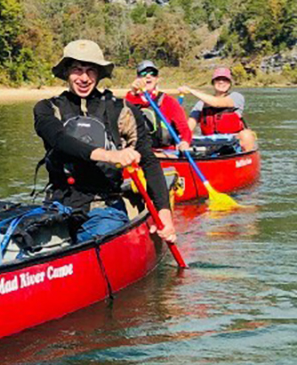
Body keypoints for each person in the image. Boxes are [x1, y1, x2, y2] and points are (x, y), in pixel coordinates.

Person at [33, 40, 176, 243]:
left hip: (104, 207)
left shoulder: (122, 111)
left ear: (99, 74)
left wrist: (163, 211)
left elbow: (149, 161)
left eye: (91, 70)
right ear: (66, 72)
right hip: (58, 206)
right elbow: (59, 139)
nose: (84, 78)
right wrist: (110, 155)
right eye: (77, 70)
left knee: (98, 232)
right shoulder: (47, 108)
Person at [180, 67, 257, 152]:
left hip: (232, 142)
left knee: (246, 135)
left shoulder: (236, 97)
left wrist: (191, 91)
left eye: (225, 80)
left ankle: (245, 159)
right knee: (183, 138)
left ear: (229, 84)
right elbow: (189, 126)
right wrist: (183, 141)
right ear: (213, 83)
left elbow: (217, 103)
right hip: (209, 142)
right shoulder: (201, 104)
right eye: (218, 79)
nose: (221, 82)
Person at [124, 60, 192, 153]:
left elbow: (184, 128)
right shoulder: (130, 100)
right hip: (137, 151)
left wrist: (185, 142)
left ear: (157, 79)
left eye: (153, 73)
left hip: (164, 152)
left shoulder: (169, 101)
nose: (148, 76)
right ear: (137, 78)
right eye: (143, 73)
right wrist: (133, 92)